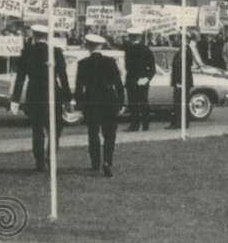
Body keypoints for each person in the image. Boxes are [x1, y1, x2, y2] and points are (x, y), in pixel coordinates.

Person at [10, 23, 71, 172]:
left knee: (37, 129)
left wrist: (15, 99)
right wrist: (68, 98)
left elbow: (20, 78)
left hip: (34, 94)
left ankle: (39, 160)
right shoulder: (56, 52)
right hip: (52, 94)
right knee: (54, 129)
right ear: (47, 36)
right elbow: (63, 77)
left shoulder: (27, 52)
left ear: (34, 35)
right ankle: (50, 156)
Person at [75, 34, 125, 177]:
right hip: (109, 100)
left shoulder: (83, 63)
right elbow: (118, 85)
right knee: (110, 134)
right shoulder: (110, 62)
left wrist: (79, 104)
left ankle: (95, 162)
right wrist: (121, 102)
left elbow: (79, 87)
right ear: (101, 46)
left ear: (88, 46)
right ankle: (107, 161)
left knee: (93, 132)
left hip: (91, 100)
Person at [124, 29, 155, 132]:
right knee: (143, 103)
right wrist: (147, 78)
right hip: (142, 79)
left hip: (132, 79)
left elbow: (127, 66)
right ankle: (145, 125)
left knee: (133, 103)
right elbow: (152, 68)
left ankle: (134, 125)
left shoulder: (128, 49)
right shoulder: (146, 49)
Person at [168, 33, 197, 129]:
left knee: (182, 102)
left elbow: (185, 67)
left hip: (183, 81)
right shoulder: (181, 50)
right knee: (177, 102)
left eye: (179, 38)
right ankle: (177, 122)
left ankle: (182, 123)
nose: (177, 40)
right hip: (178, 80)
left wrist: (180, 81)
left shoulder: (187, 50)